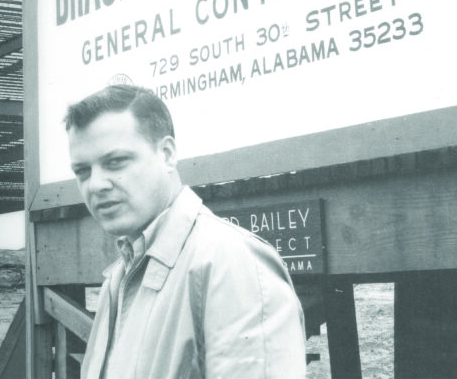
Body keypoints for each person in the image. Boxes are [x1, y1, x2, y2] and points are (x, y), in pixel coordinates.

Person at [65, 84, 306, 378]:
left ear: (167, 154)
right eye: (83, 172)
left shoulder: (230, 263)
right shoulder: (117, 280)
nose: (96, 184)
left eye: (115, 162)